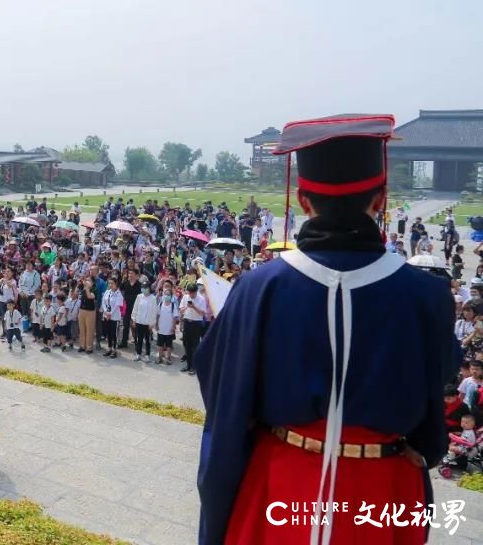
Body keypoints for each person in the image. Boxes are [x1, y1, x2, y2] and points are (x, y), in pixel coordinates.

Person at [195, 114, 456, 545]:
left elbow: (221, 383)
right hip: (382, 482)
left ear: (302, 200)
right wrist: (428, 445)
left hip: (285, 474)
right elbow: (438, 380)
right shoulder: (427, 294)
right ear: (381, 199)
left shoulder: (260, 287)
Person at [179, 282, 207, 375]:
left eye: (193, 293)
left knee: (195, 345)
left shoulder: (201, 299)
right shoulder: (185, 297)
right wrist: (187, 307)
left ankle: (194, 367)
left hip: (196, 324)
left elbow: (203, 313)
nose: (191, 294)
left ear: (196, 291)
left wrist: (194, 307)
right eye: (190, 292)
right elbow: (181, 310)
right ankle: (188, 365)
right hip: (187, 322)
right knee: (186, 344)